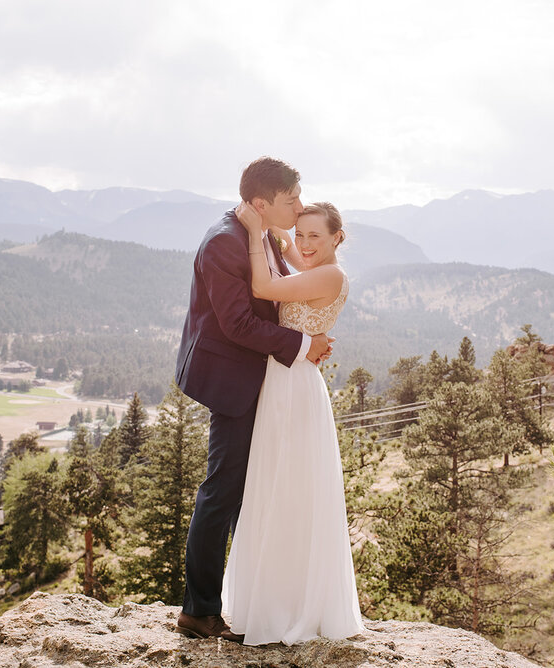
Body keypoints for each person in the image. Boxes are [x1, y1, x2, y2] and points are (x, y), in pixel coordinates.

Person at [174, 157, 332, 642]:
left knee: (254, 487)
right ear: (261, 204)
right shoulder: (225, 241)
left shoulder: (260, 231)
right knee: (222, 491)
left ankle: (257, 601)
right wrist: (305, 347)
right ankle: (199, 610)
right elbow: (237, 324)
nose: (300, 208)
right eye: (291, 201)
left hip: (263, 378)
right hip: (233, 380)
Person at [223, 199, 364, 645]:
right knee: (278, 487)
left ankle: (286, 608)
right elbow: (293, 271)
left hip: (293, 389)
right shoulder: (314, 267)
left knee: (290, 490)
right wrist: (285, 242)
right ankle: (277, 600)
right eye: (301, 234)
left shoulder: (332, 274)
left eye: (315, 237)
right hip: (285, 382)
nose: (305, 244)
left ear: (337, 238)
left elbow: (265, 288)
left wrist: (252, 232)